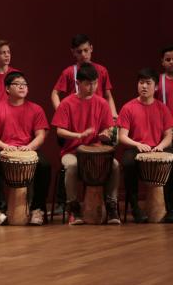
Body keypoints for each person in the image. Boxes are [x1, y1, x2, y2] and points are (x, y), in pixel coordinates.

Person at [52, 63, 120, 225]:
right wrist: (79, 135)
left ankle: (112, 207)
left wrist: (106, 135)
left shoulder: (102, 103)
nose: (92, 87)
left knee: (115, 165)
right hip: (72, 151)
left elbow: (108, 130)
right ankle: (73, 208)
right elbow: (59, 131)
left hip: (95, 151)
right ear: (78, 83)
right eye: (88, 83)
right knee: (72, 167)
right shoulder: (67, 103)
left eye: (95, 83)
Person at [0, 71, 51, 226]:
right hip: (4, 150)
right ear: (7, 88)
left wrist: (29, 147)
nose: (22, 87)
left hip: (28, 150)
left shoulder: (36, 109)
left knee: (45, 166)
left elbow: (41, 135)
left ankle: (37, 209)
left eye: (24, 84)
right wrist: (6, 147)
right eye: (17, 84)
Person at [118, 68, 173, 223]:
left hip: (157, 147)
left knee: (172, 160)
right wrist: (137, 144)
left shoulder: (163, 108)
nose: (144, 86)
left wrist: (161, 146)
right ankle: (135, 208)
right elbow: (122, 136)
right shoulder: (128, 107)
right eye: (141, 82)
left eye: (148, 83)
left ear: (155, 87)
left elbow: (169, 135)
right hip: (135, 148)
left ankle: (171, 209)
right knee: (127, 163)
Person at [50, 34, 117, 117]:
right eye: (79, 51)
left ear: (91, 48)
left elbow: (108, 97)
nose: (83, 54)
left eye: (86, 50)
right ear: (73, 52)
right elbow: (54, 94)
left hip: (97, 116)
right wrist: (62, 114)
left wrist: (114, 117)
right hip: (76, 117)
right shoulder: (69, 72)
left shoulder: (102, 70)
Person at [155, 45, 173, 114]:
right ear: (162, 62)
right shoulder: (157, 80)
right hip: (164, 122)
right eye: (168, 60)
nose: (171, 62)